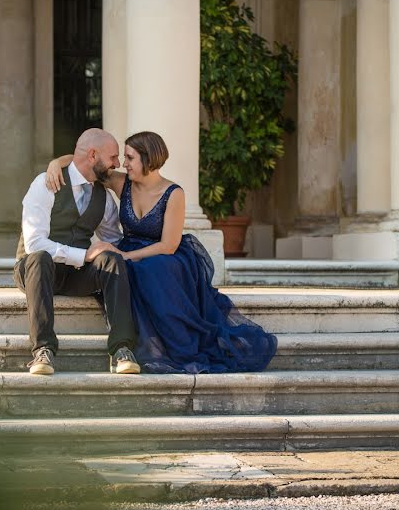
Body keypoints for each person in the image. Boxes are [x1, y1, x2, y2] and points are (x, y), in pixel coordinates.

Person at [46, 131, 277, 374]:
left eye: (130, 158)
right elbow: (87, 160)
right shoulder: (121, 182)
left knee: (154, 269)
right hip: (130, 248)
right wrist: (55, 164)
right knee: (119, 268)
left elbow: (169, 245)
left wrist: (122, 255)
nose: (123, 164)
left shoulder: (174, 193)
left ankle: (163, 344)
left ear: (148, 159)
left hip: (163, 254)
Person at [15, 128, 140, 376]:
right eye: (113, 157)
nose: (117, 164)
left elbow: (114, 239)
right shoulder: (46, 183)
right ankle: (43, 350)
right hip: (36, 271)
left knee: (111, 260)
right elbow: (35, 244)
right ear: (93, 155)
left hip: (75, 275)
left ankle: (122, 349)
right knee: (39, 258)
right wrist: (83, 255)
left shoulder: (103, 197)